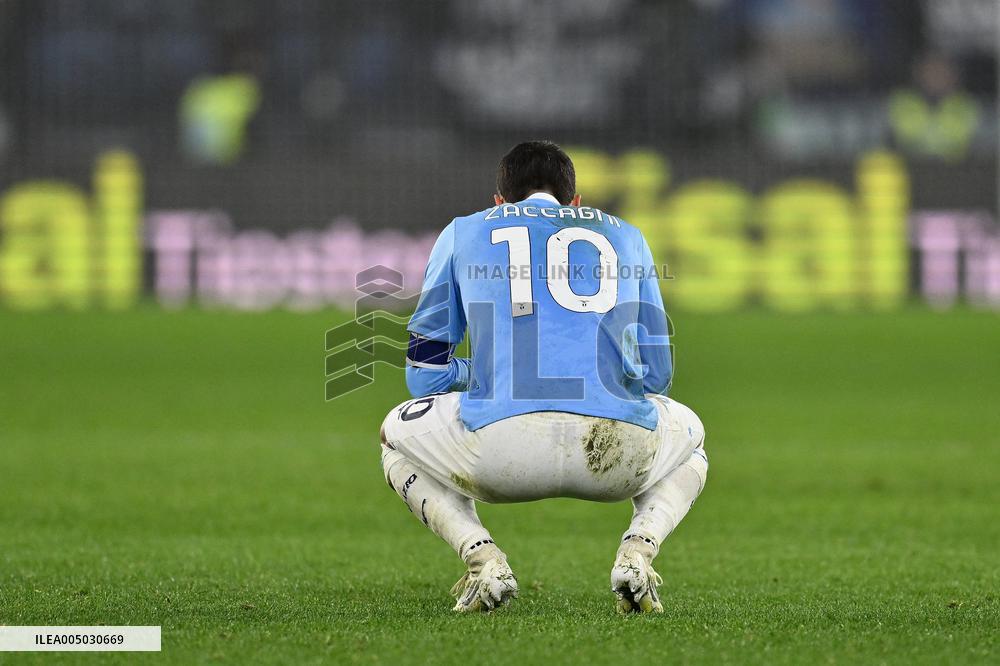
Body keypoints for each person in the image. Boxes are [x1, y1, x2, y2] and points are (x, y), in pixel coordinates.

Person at [379, 141, 707, 613]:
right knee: (691, 442)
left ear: (499, 202)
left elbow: (424, 376)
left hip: (498, 453)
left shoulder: (462, 232)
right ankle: (638, 551)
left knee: (394, 434)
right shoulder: (628, 235)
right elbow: (658, 374)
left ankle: (482, 558)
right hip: (614, 453)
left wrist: (487, 372)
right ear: (575, 203)